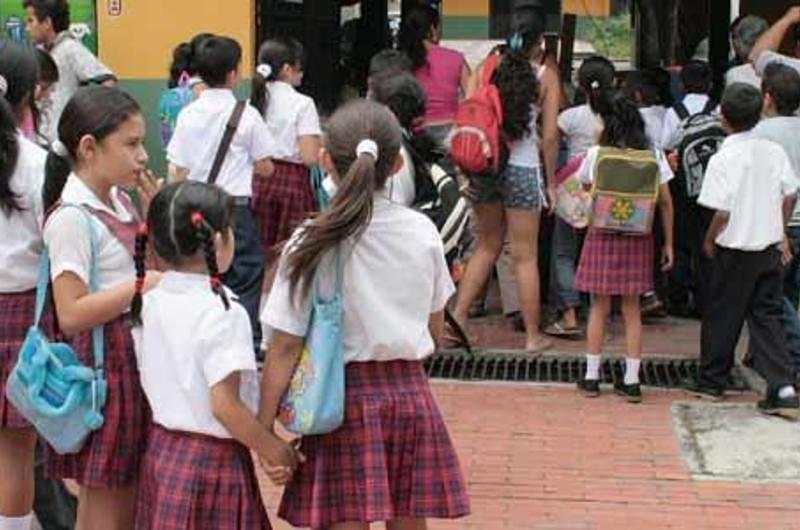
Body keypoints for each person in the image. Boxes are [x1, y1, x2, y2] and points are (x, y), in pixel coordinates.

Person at [259, 100, 470, 529]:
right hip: (410, 398)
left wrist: (264, 434)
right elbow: (433, 327)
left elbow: (283, 346)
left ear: (323, 160)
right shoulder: (421, 232)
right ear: (395, 165)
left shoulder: (311, 241)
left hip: (339, 402)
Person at [131, 181, 300, 529]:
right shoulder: (223, 311)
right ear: (219, 241)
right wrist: (273, 448)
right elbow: (224, 406)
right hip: (213, 464)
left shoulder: (149, 301)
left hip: (163, 452)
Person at [42, 85, 161, 529]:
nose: (143, 156)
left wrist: (156, 213)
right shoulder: (73, 217)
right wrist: (141, 287)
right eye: (131, 144)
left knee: (125, 500)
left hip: (128, 362)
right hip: (106, 370)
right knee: (109, 506)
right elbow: (70, 312)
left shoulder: (119, 199)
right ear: (89, 148)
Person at [687, 83, 799, 420]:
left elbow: (720, 211)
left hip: (734, 249)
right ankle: (782, 386)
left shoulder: (724, 158)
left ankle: (712, 379)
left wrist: (709, 240)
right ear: (761, 111)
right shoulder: (773, 151)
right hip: (767, 247)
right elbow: (790, 193)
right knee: (767, 317)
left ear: (723, 117)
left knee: (723, 313)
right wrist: (779, 232)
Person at [452, 8, 558, 354]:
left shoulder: (486, 69)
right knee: (524, 256)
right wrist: (552, 182)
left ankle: (459, 320)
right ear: (539, 42)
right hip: (524, 170)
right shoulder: (545, 75)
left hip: (486, 167)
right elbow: (552, 134)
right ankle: (531, 337)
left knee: (486, 246)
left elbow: (469, 109)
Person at [167, 36, 274, 351]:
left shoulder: (188, 114)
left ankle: (202, 337)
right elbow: (266, 166)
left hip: (194, 205)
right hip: (233, 209)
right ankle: (241, 339)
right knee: (247, 269)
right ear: (233, 73)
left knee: (200, 271)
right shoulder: (247, 114)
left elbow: (178, 169)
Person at [575, 91, 675, 403]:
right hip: (638, 236)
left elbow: (585, 188)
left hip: (602, 234)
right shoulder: (654, 155)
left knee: (599, 306)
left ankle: (592, 377)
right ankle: (631, 381)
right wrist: (669, 242)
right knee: (632, 309)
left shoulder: (597, 154)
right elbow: (666, 203)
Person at [0, 39, 48, 530]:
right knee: (16, 450)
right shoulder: (38, 163)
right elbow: (51, 241)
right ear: (30, 93)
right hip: (22, 317)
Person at [547, 56, 614, 338]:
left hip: (574, 190)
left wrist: (551, 178)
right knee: (600, 251)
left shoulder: (570, 116)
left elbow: (549, 138)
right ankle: (600, 316)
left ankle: (570, 314)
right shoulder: (617, 114)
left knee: (564, 250)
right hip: (607, 187)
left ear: (580, 85)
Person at [250, 37, 322, 261]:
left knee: (259, 251)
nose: (302, 75)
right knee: (289, 254)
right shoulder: (303, 103)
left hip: (256, 179)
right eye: (300, 69)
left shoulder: (252, 100)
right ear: (287, 69)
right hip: (292, 183)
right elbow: (310, 157)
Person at [24, 0, 116, 144]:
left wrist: (90, 121)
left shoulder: (71, 49)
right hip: (42, 140)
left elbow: (108, 81)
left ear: (47, 23)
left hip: (65, 142)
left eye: (31, 21)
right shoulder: (40, 52)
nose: (27, 28)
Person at [399, 5, 470, 146]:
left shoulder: (403, 61)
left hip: (416, 136)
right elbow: (472, 97)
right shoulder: (456, 58)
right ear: (432, 29)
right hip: (450, 134)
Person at [726, 15, 769, 88]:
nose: (734, 42)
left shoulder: (734, 74)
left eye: (735, 37)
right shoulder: (730, 68)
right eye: (733, 37)